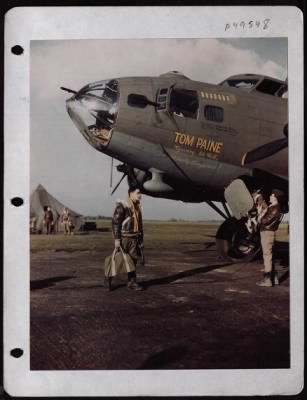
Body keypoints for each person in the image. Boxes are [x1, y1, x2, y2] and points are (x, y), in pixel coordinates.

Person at [104, 184, 144, 291]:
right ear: (131, 194)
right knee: (117, 260)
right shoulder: (122, 206)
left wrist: (141, 239)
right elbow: (115, 223)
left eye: (140, 193)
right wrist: (117, 239)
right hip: (124, 238)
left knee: (133, 261)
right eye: (138, 193)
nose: (140, 195)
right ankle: (107, 280)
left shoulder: (137, 207)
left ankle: (132, 282)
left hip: (134, 239)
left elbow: (140, 225)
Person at [256, 189, 285, 287]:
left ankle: (267, 280)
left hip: (267, 233)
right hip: (267, 232)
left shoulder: (275, 208)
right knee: (269, 255)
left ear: (275, 197)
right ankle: (274, 278)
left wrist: (260, 215)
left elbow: (265, 221)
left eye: (271, 195)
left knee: (267, 255)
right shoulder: (273, 207)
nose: (270, 197)